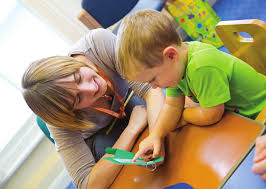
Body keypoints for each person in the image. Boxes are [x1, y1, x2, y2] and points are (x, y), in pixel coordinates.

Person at [116, 9, 266, 176]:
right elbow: (172, 105)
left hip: (259, 113)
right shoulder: (177, 67)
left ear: (171, 55)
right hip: (241, 115)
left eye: (153, 79)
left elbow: (212, 114)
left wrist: (184, 117)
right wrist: (156, 135)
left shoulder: (201, 66)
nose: (154, 87)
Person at [21, 28, 165, 189]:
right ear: (69, 111)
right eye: (79, 98)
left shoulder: (98, 44)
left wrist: (156, 136)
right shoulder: (60, 118)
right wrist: (132, 129)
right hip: (105, 136)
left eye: (78, 77)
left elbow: (149, 90)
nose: (90, 88)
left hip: (132, 100)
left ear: (71, 63)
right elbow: (87, 184)